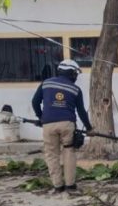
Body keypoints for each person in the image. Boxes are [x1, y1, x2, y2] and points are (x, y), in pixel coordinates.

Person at [31, 59, 93, 194]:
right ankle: (70, 186)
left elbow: (35, 102)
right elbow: (81, 111)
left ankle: (58, 186)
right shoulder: (75, 89)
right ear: (72, 74)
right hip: (67, 124)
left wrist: (41, 117)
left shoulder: (45, 84)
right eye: (76, 74)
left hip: (48, 124)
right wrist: (89, 128)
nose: (76, 77)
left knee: (52, 154)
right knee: (69, 152)